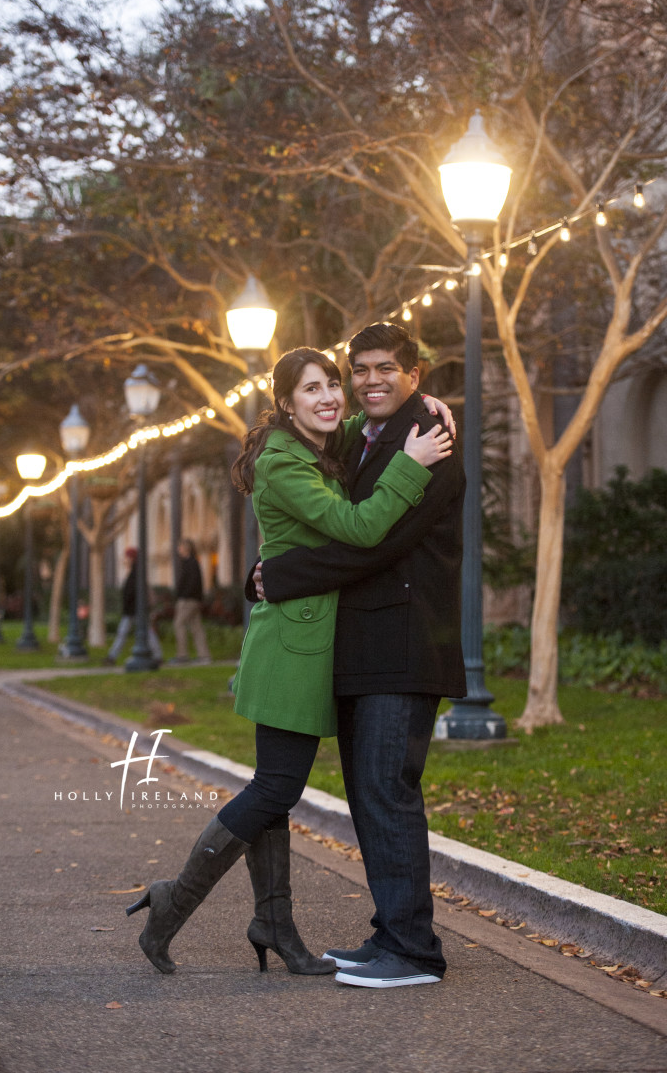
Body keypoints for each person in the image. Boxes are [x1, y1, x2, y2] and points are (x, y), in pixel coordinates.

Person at [126, 347, 453, 979]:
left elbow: (366, 418)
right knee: (276, 786)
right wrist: (411, 465)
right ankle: (172, 903)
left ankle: (273, 922)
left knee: (276, 787)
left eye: (335, 384)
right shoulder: (283, 463)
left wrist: (422, 403)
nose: (332, 397)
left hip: (306, 642)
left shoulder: (317, 444)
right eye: (313, 389)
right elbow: (358, 528)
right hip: (291, 648)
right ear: (286, 403)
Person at [252, 323, 466, 989]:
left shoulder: (429, 441)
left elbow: (372, 542)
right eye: (360, 369)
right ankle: (392, 934)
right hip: (363, 651)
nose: (370, 380)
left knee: (387, 793)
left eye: (386, 369)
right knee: (370, 799)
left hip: (404, 645)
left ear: (415, 374)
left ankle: (414, 953)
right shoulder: (366, 439)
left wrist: (280, 575)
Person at [104, 547, 163, 666]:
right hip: (132, 609)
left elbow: (134, 592)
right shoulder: (134, 572)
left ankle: (113, 656)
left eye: (127, 557)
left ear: (132, 558)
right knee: (131, 632)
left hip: (135, 609)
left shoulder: (136, 572)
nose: (125, 560)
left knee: (139, 632)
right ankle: (112, 656)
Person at [170, 539, 210, 664]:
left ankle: (183, 655)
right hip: (191, 599)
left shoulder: (191, 563)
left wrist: (183, 596)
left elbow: (193, 583)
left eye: (180, 547)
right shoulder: (189, 563)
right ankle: (204, 656)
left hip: (188, 601)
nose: (178, 549)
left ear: (186, 547)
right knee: (196, 627)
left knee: (178, 624)